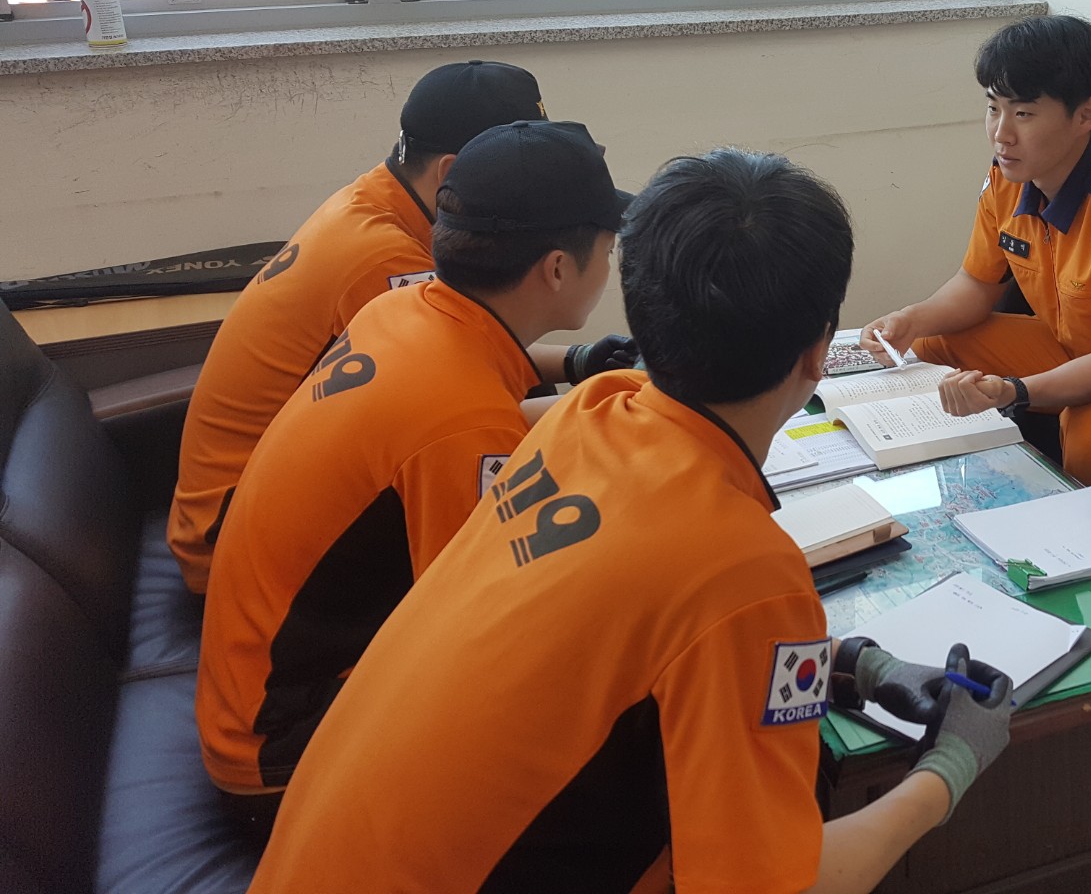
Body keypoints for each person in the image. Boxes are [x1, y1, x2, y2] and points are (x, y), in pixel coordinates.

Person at [249, 149, 1014, 893]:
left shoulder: (588, 413)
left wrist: (857, 666)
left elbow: (622, 634)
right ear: (819, 351)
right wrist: (947, 772)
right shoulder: (742, 573)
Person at [196, 120, 631, 831]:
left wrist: (613, 397)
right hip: (284, 750)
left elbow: (480, 419)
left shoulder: (404, 310)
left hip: (259, 687)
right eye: (607, 252)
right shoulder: (460, 426)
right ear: (558, 268)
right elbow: (483, 635)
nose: (608, 265)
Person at [167, 61, 636, 593]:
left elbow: (467, 373)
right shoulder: (385, 263)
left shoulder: (376, 227)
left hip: (269, 516)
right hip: (232, 540)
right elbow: (456, 425)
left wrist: (581, 365)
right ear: (454, 170)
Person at [860, 15, 1091, 485]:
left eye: (1024, 114)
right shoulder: (1010, 174)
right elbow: (977, 284)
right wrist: (909, 320)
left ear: (1086, 115)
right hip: (1072, 345)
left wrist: (1012, 391)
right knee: (933, 341)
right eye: (993, 108)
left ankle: (1087, 524)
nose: (1001, 133)